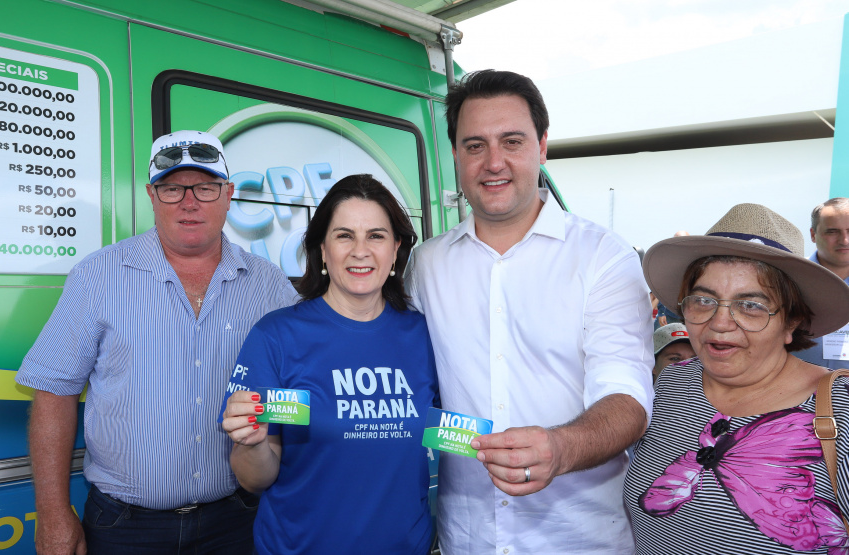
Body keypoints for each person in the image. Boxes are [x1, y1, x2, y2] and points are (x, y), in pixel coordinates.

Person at [405, 69, 654, 553]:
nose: (493, 162)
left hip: (579, 541)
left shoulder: (603, 257)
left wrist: (560, 448)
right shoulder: (426, 264)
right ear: (455, 155)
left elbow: (627, 400)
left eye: (512, 142)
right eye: (475, 145)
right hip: (468, 539)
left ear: (541, 147)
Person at [16, 130, 297, 555]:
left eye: (205, 187)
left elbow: (305, 378)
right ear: (151, 195)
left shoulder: (269, 284)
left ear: (228, 195)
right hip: (125, 528)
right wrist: (53, 512)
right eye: (172, 188)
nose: (189, 202)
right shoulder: (97, 276)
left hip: (237, 520)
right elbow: (54, 393)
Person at [220, 174, 438, 555]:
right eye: (344, 236)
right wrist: (251, 445)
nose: (360, 251)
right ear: (322, 249)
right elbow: (254, 480)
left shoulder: (425, 335)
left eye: (376, 236)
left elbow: (443, 432)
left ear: (395, 249)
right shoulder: (276, 337)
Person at [625, 203, 849, 554]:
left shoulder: (841, 412)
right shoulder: (671, 383)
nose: (719, 323)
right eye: (703, 300)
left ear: (791, 322)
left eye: (751, 305)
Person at [795, 197, 849, 369]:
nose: (844, 240)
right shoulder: (789, 278)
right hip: (796, 383)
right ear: (813, 234)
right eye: (832, 231)